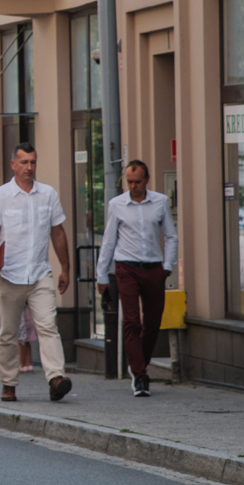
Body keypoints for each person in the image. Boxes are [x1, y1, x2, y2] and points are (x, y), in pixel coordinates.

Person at [0, 143, 72, 403]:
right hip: (10, 276)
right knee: (8, 333)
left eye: (32, 162)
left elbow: (58, 232)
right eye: (24, 162)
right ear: (13, 164)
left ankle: (55, 378)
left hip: (40, 273)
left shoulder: (48, 195)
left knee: (48, 327)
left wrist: (65, 268)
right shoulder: (0, 196)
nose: (29, 167)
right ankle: (9, 383)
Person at [96, 159, 178, 397]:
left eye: (137, 182)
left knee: (153, 323)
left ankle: (138, 364)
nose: (133, 186)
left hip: (154, 269)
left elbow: (171, 237)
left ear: (146, 180)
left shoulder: (160, 202)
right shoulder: (116, 205)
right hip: (127, 268)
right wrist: (102, 275)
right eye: (129, 182)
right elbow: (109, 240)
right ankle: (140, 376)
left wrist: (167, 266)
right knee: (132, 321)